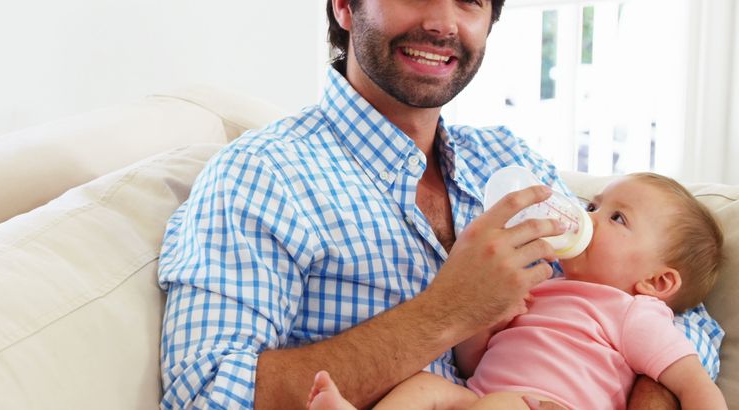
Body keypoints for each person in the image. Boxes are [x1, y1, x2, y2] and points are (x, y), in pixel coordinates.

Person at [157, 0, 722, 409]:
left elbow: (673, 313)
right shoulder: (262, 177)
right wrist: (447, 311)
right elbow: (208, 392)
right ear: (344, 3)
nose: (443, 23)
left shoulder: (509, 160)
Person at [306, 172, 726, 409]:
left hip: (544, 405)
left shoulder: (631, 312)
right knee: (424, 387)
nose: (589, 218)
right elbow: (472, 363)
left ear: (658, 282)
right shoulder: (540, 281)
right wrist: (488, 321)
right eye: (594, 206)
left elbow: (694, 385)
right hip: (481, 398)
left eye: (617, 219)